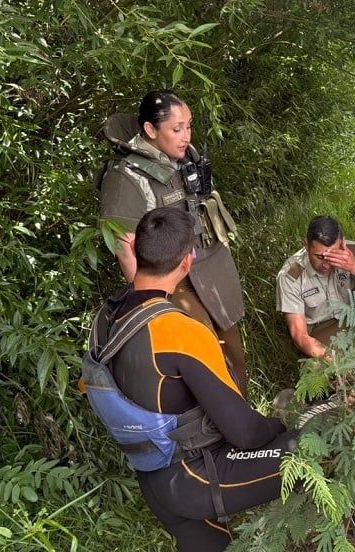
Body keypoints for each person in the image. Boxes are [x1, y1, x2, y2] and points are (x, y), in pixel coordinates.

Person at [84, 207, 298, 551]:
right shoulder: (180, 331)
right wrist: (282, 426)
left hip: (153, 479)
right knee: (318, 450)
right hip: (197, 478)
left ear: (137, 247)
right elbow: (245, 433)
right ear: (188, 261)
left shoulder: (106, 320)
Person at [98, 89, 248, 397]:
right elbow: (126, 247)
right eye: (176, 129)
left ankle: (245, 416)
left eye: (189, 126)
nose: (185, 135)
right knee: (204, 355)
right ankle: (222, 432)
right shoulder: (125, 176)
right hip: (172, 282)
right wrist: (154, 306)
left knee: (233, 350)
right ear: (151, 130)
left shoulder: (184, 157)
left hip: (207, 269)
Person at [276, 216, 355, 358]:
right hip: (321, 331)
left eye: (334, 255)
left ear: (342, 244)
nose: (327, 264)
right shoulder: (291, 275)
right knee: (326, 372)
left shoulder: (353, 252)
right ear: (306, 245)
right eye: (320, 257)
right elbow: (300, 337)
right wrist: (339, 364)